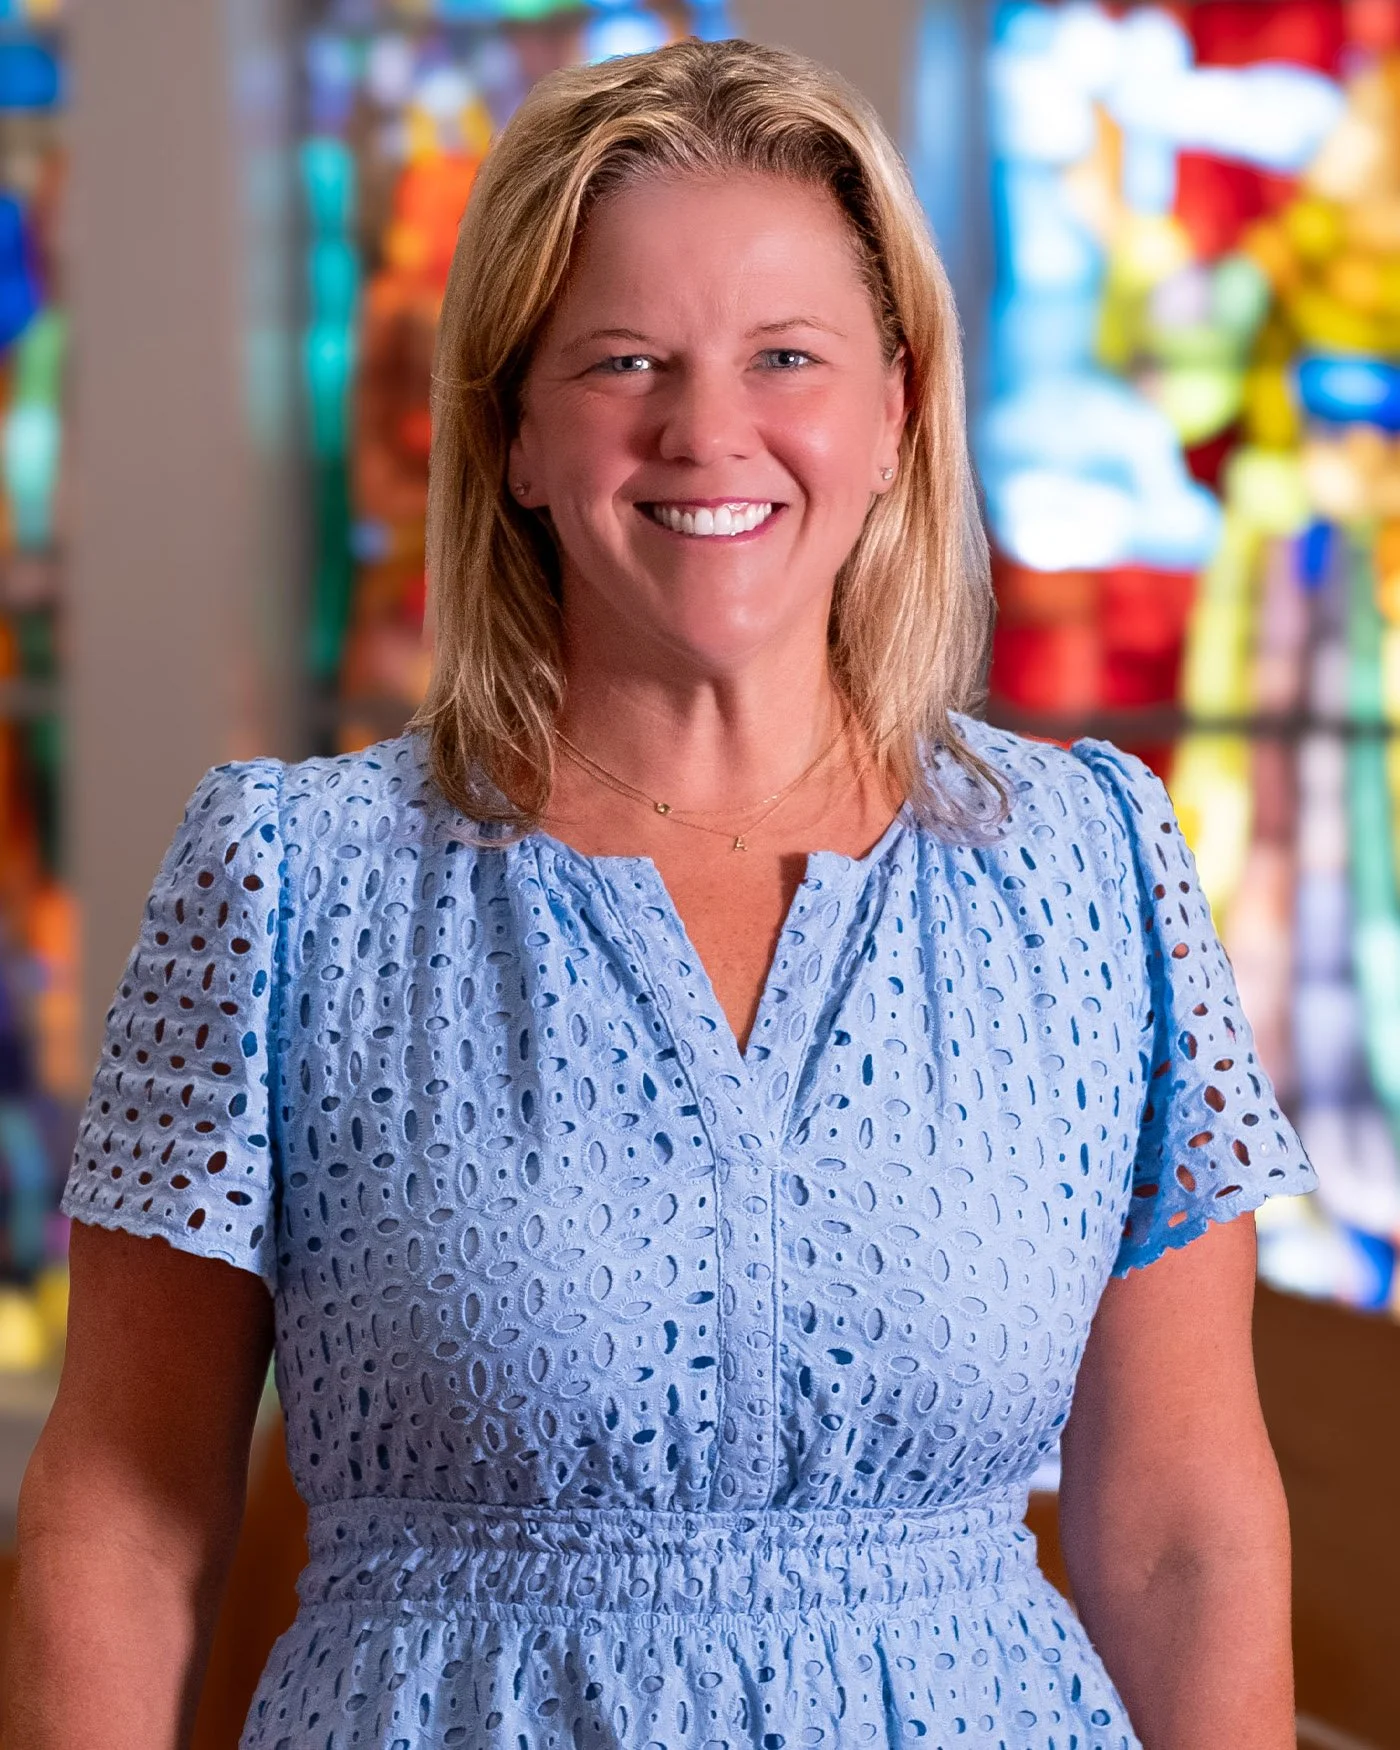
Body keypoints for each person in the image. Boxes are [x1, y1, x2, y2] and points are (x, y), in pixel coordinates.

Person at [6, 37, 1316, 1750]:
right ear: (518, 434)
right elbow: (119, 1523)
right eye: (625, 360)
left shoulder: (1095, 868)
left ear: (899, 408)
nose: (712, 430)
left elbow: (1187, 1530)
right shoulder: (289, 885)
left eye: (789, 356)